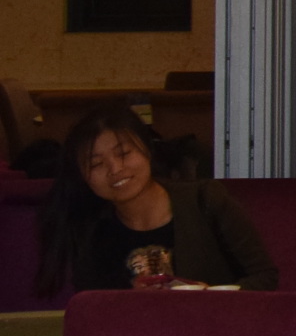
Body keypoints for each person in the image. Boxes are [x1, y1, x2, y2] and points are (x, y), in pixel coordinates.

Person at [37, 103, 276, 293]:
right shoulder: (90, 230)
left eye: (124, 153)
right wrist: (129, 301)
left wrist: (209, 296)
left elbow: (265, 277)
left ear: (147, 149)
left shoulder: (205, 200)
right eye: (96, 164)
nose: (115, 169)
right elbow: (94, 309)